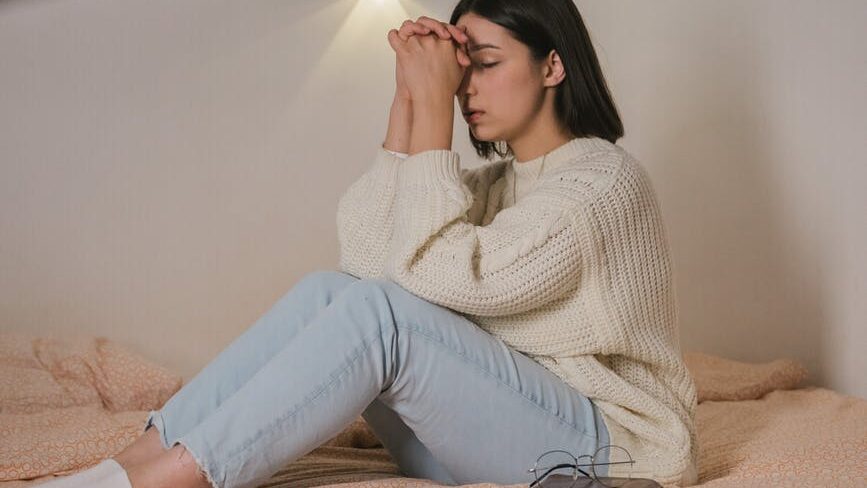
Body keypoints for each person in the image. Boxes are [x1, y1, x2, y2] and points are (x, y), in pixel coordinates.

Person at [37, 1, 698, 487]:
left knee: (380, 313)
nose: (467, 88)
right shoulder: (494, 184)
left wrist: (435, 111)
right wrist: (410, 101)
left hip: (603, 458)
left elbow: (434, 279)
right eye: (461, 71)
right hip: (496, 440)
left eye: (486, 65)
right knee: (333, 292)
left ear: (552, 65)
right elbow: (367, 256)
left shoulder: (603, 183)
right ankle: (136, 461)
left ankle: (175, 478)